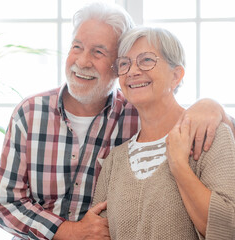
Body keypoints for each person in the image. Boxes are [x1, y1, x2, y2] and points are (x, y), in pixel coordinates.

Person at [0, 2, 235, 240]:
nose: (83, 61)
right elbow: (4, 203)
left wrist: (212, 105)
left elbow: (183, 114)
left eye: (98, 51)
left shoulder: (137, 110)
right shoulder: (31, 113)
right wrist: (68, 232)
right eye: (77, 47)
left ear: (115, 66)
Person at [92, 26, 235, 239]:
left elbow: (228, 229)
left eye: (146, 60)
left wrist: (178, 165)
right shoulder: (115, 160)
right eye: (124, 63)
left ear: (176, 75)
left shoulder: (211, 137)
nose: (132, 71)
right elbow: (99, 233)